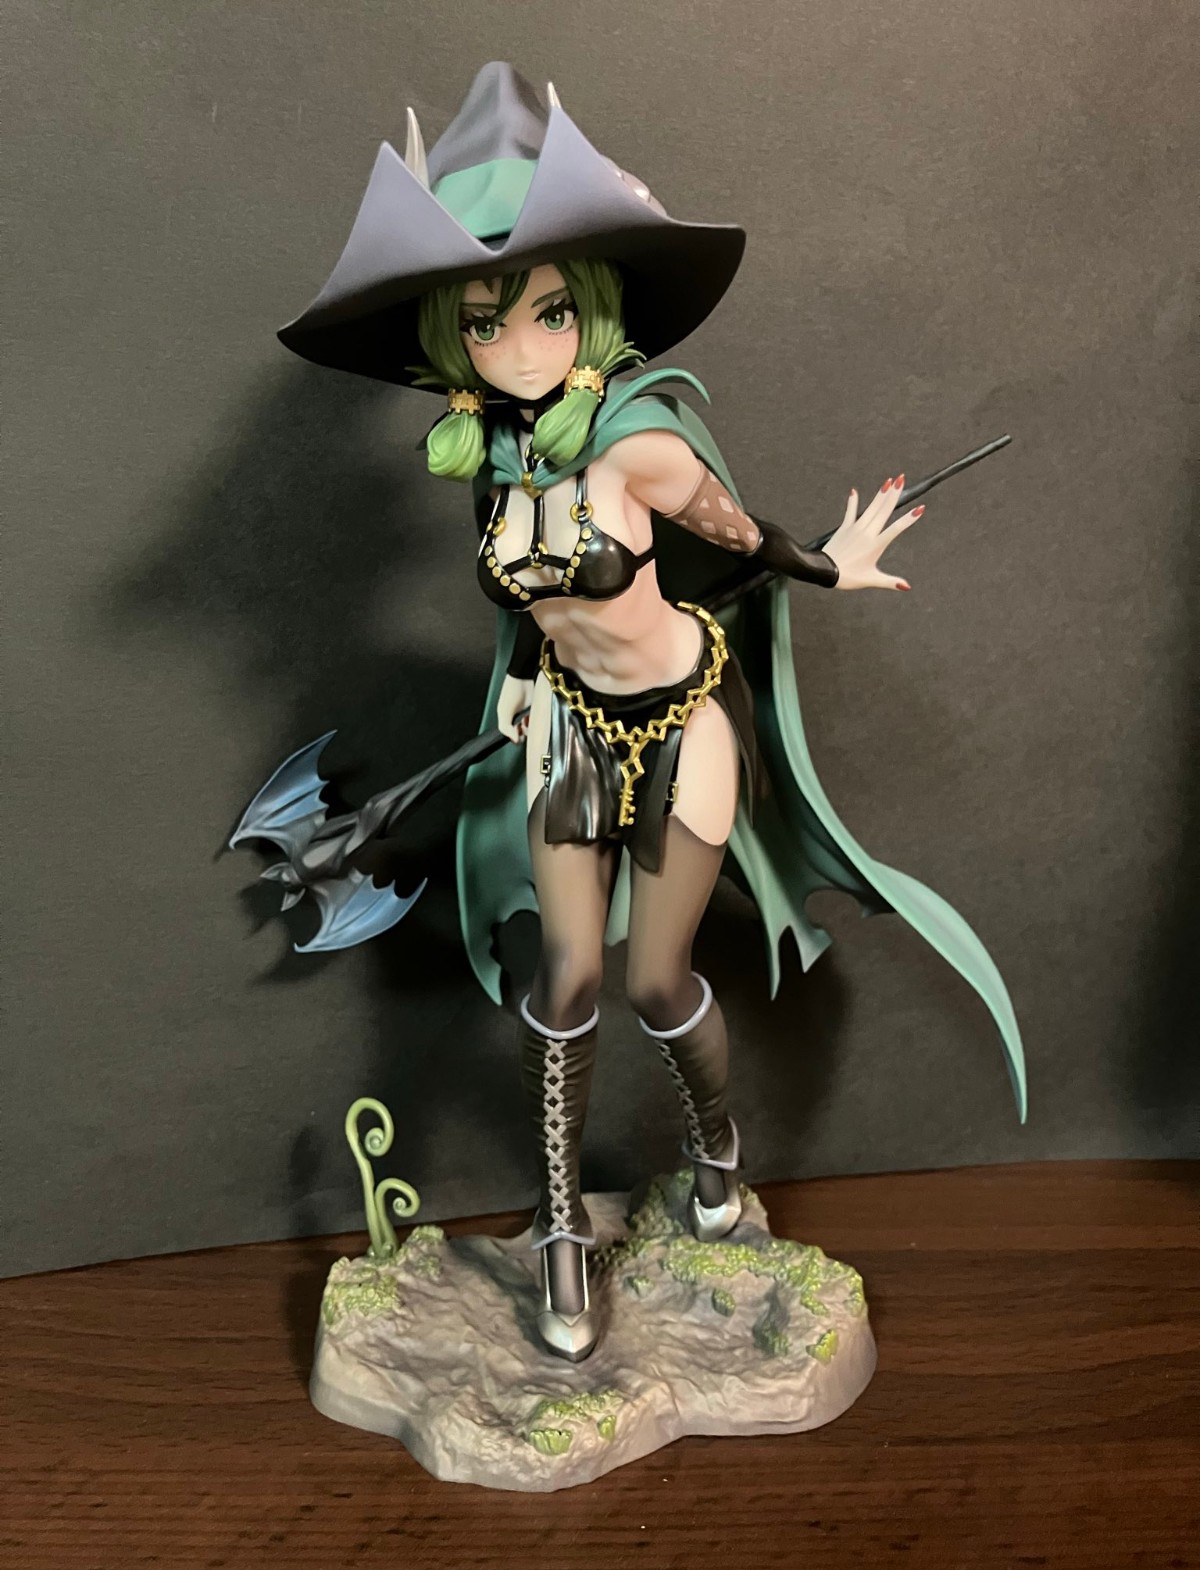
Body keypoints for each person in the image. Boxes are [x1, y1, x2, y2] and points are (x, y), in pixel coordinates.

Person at [275, 63, 1026, 1362]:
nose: (521, 347)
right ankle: (563, 1233)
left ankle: (716, 1147)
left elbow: (744, 535)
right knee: (562, 980)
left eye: (551, 312)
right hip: (569, 730)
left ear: (593, 308)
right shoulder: (493, 460)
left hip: (682, 724)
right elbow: (530, 606)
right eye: (486, 322)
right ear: (454, 338)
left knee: (655, 976)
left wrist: (830, 564)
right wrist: (523, 685)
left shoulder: (638, 446)